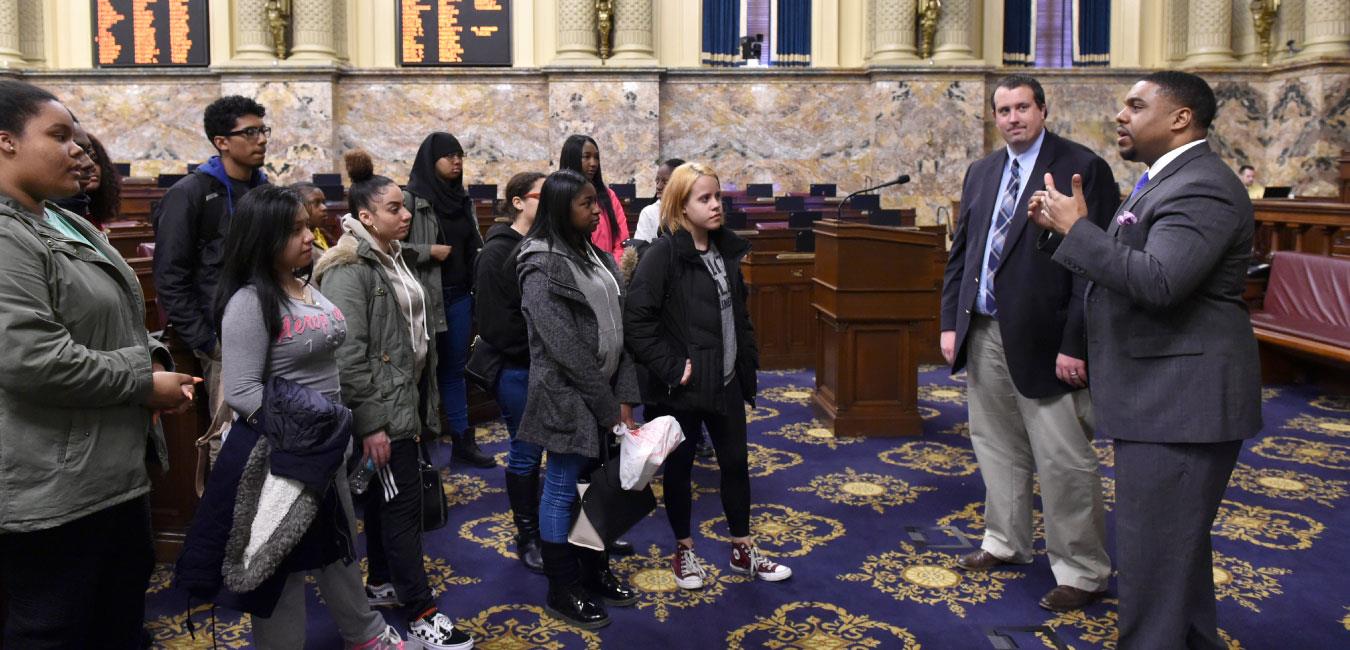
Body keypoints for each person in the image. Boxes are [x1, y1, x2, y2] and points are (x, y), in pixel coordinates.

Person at [1029, 71, 1262, 650]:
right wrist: (1067, 236)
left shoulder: (1201, 185)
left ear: (1181, 118)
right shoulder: (1162, 181)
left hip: (1182, 400)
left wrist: (1078, 229)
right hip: (1160, 393)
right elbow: (1123, 271)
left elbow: (1159, 282)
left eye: (1135, 105)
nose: (1120, 115)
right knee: (1172, 550)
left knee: (1154, 555)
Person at [0, 79, 197, 648]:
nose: (78, 151)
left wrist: (153, 359)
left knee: (116, 621)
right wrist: (143, 382)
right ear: (6, 142)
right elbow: (31, 359)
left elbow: (120, 321)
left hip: (110, 469)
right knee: (56, 629)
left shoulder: (63, 220)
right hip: (53, 484)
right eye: (59, 136)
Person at [178, 184, 404, 650]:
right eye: (294, 229)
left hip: (323, 447)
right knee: (279, 564)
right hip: (283, 456)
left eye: (307, 225)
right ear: (263, 238)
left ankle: (366, 635)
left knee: (338, 549)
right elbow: (241, 391)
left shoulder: (305, 285)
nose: (309, 235)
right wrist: (303, 438)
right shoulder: (248, 301)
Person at [938, 75, 1116, 612]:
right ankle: (1006, 541)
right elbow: (963, 253)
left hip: (1050, 340)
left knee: (1064, 459)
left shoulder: (1082, 167)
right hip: (985, 330)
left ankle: (1082, 570)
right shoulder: (983, 170)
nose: (1013, 117)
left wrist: (1076, 344)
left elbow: (1095, 266)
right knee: (995, 444)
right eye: (1004, 110)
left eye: (1022, 107)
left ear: (1042, 109)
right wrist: (951, 322)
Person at [316, 150, 474, 650]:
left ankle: (383, 580)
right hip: (382, 411)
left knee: (389, 504)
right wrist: (372, 423)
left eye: (404, 207)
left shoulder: (392, 254)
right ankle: (421, 611)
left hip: (403, 401)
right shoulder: (350, 268)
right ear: (365, 217)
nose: (406, 215)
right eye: (393, 209)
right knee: (403, 507)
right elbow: (347, 355)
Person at [625, 161, 791, 591]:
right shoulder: (662, 255)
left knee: (736, 464)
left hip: (726, 380)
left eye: (718, 196)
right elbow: (637, 322)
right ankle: (685, 551)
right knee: (679, 472)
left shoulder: (725, 251)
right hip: (680, 389)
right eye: (705, 198)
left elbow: (738, 315)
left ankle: (742, 547)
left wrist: (747, 361)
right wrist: (671, 367)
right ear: (681, 206)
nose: (717, 205)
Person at [516, 169, 641, 629]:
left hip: (603, 395)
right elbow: (565, 349)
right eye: (586, 203)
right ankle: (562, 586)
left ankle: (594, 570)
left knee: (593, 490)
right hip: (566, 397)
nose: (596, 210)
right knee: (563, 489)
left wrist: (624, 396)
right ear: (560, 207)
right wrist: (609, 409)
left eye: (596, 202)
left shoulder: (597, 256)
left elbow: (621, 332)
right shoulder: (538, 263)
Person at [153, 95, 270, 470]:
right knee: (232, 437)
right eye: (250, 132)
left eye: (263, 130)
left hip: (270, 324)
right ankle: (229, 520)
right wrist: (207, 341)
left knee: (272, 429)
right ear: (222, 142)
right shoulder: (190, 194)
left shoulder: (263, 191)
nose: (262, 139)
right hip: (221, 337)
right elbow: (170, 277)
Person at [402, 132, 494, 469]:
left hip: (458, 298)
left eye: (459, 155)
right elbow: (390, 247)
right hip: (424, 300)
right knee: (419, 372)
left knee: (455, 371)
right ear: (431, 160)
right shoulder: (410, 200)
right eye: (448, 156)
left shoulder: (462, 200)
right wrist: (428, 252)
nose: (456, 161)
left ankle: (461, 441)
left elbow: (474, 244)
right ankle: (416, 446)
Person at [474, 171, 548, 573]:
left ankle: (566, 525)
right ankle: (528, 534)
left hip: (550, 367)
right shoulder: (497, 253)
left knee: (566, 451)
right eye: (543, 194)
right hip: (517, 369)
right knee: (526, 451)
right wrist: (545, 348)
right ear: (518, 202)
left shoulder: (548, 244)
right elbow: (494, 325)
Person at [559, 134, 629, 261]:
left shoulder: (608, 195)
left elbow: (621, 241)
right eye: (586, 157)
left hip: (608, 269)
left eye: (596, 157)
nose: (593, 163)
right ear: (572, 158)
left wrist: (612, 267)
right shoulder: (559, 195)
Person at [54, 125, 121, 230]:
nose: (91, 165)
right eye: (77, 156)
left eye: (95, 158)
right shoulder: (54, 213)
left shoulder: (88, 210)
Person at [632, 158, 685, 242]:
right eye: (657, 181)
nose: (658, 186)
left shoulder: (692, 210)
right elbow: (640, 248)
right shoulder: (649, 212)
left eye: (665, 182)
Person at [290, 180, 332, 256]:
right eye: (316, 203)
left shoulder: (319, 233)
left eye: (323, 202)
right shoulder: (301, 246)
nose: (324, 207)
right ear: (300, 207)